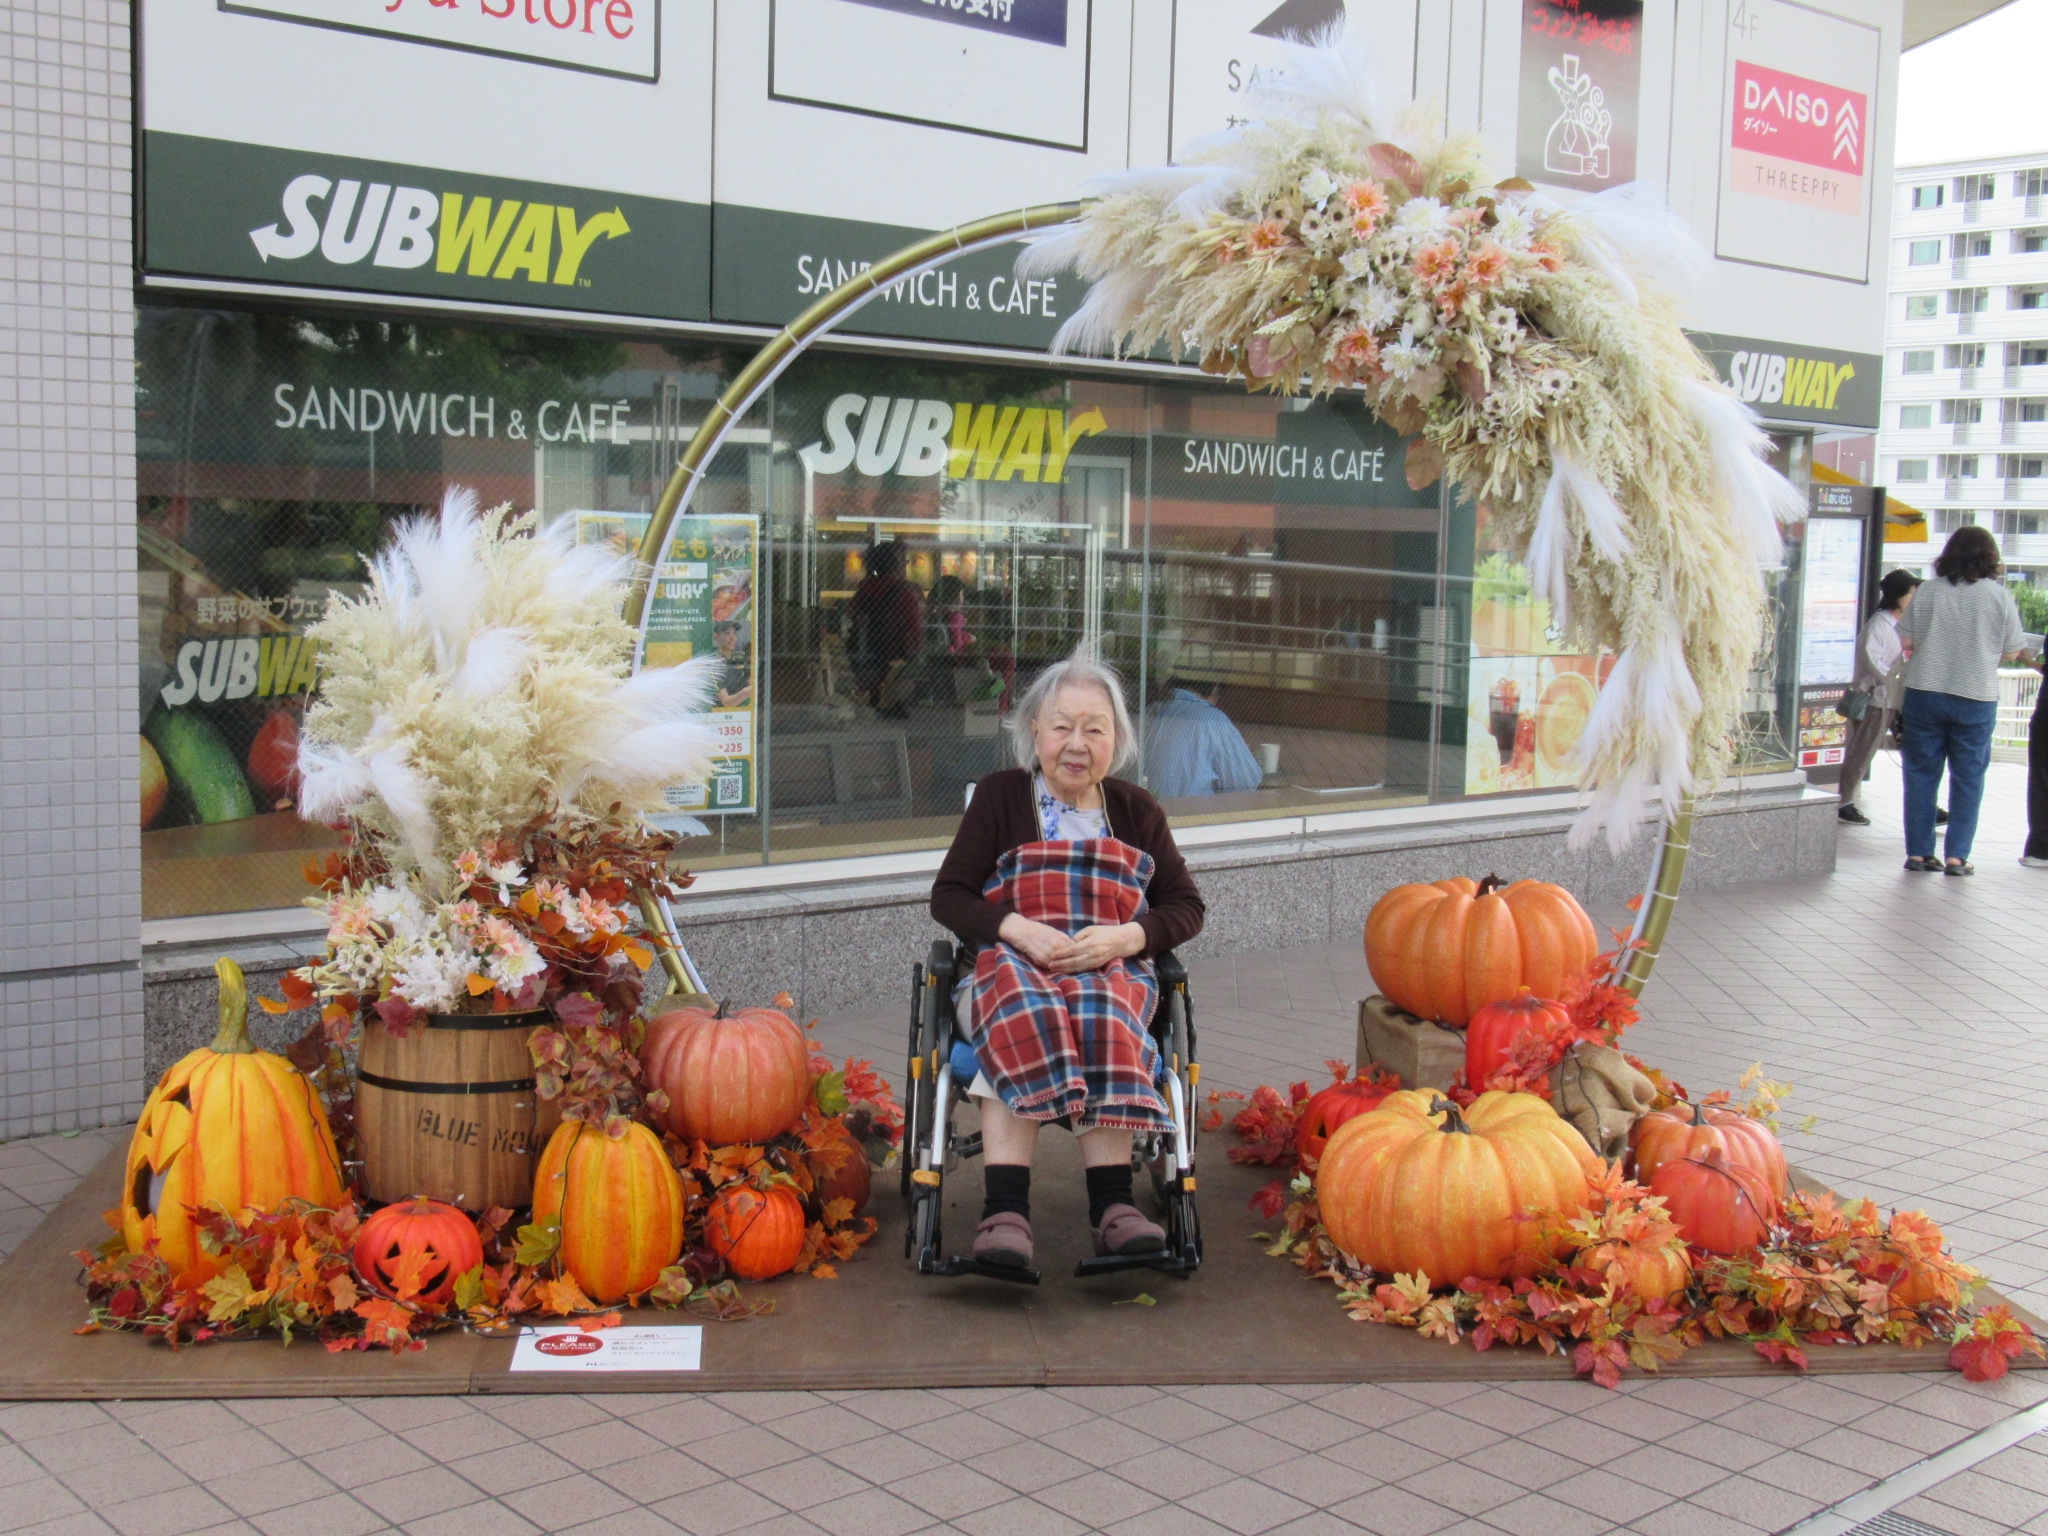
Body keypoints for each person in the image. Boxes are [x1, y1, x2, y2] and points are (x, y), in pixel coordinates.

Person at [929, 652, 1206, 1271]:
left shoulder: (1137, 812)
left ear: (1118, 739)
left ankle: (1115, 1208)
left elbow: (1186, 906)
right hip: (1011, 965)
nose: (1076, 744)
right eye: (1062, 726)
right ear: (1034, 732)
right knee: (1021, 1006)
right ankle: (1005, 1212)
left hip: (1108, 969)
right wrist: (1016, 929)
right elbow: (949, 896)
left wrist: (1128, 938)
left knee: (1104, 1009)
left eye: (1095, 728)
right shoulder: (1001, 798)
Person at [1898, 525, 2036, 874]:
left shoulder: (1927, 592)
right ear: (1990, 558)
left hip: (1925, 692)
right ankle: (1957, 856)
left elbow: (1907, 642)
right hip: (1975, 696)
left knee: (1920, 774)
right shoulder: (1999, 597)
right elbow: (2012, 652)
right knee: (1969, 777)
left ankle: (1918, 853)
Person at [1836, 570, 1919, 826]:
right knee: (1862, 751)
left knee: (1915, 753)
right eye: (1912, 593)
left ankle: (1924, 804)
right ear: (1899, 596)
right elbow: (1873, 662)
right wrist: (1896, 681)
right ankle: (1844, 801)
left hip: (1895, 699)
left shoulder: (1905, 624)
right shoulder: (1879, 624)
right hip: (1876, 699)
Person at [1144, 679, 1266, 799]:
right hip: (1191, 817)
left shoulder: (1148, 712)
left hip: (1140, 815)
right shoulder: (1212, 720)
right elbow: (1246, 784)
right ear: (1215, 688)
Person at [847, 540, 922, 715]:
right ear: (896, 565)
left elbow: (851, 615)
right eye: (903, 562)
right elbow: (915, 634)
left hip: (864, 659)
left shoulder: (863, 591)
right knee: (890, 709)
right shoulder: (905, 595)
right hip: (894, 664)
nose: (905, 566)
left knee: (869, 707)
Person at [710, 619, 752, 709]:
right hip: (721, 715)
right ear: (716, 637)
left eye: (734, 633)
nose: (732, 638)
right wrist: (745, 693)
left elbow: (750, 680)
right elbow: (726, 702)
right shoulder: (715, 664)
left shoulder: (738, 659)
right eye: (727, 633)